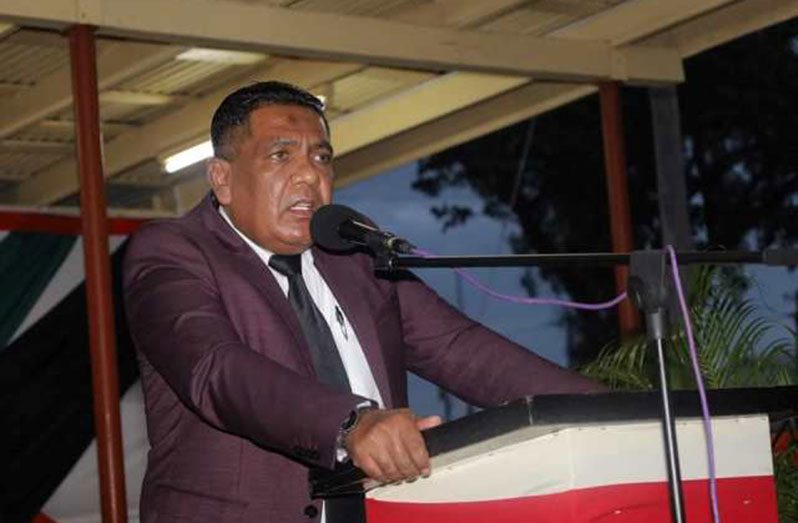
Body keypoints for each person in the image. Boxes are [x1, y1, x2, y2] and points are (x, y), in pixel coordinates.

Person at [123, 81, 606, 523]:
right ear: (222, 179)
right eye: (281, 156)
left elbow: (460, 348)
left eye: (321, 157)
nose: (309, 176)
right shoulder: (173, 251)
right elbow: (215, 369)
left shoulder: (353, 252)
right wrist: (350, 422)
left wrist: (608, 411)